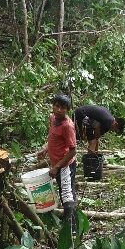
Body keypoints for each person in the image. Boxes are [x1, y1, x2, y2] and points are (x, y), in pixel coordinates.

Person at [38, 93, 78, 226]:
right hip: (56, 162)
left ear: (67, 109)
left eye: (63, 108)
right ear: (53, 106)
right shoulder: (53, 118)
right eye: (57, 106)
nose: (59, 110)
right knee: (64, 191)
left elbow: (73, 151)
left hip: (65, 165)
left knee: (67, 194)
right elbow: (53, 138)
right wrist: (45, 149)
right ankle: (71, 221)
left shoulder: (68, 126)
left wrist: (57, 167)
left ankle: (71, 227)